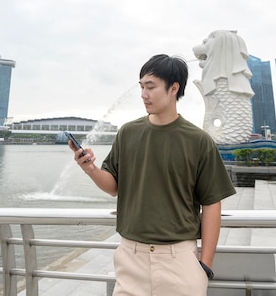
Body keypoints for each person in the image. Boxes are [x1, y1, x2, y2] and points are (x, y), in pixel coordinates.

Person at [70, 54, 236, 296]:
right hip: (130, 257)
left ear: (174, 88)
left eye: (150, 87)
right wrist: (90, 168)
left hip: (179, 260)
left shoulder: (198, 140)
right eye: (141, 87)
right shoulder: (128, 133)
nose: (143, 94)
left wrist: (205, 265)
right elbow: (114, 186)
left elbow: (212, 203)